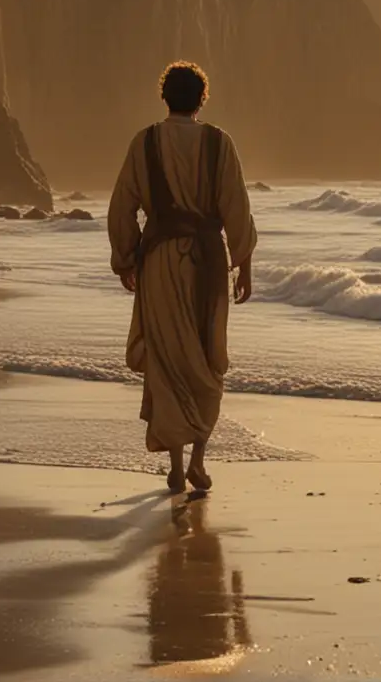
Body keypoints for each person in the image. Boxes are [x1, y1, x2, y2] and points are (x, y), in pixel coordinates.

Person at [107, 61, 256, 493]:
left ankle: (175, 465)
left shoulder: (145, 143)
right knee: (207, 359)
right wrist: (243, 263)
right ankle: (199, 462)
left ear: (165, 96)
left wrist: (127, 258)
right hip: (207, 261)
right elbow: (236, 207)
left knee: (170, 360)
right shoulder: (218, 143)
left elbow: (122, 206)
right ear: (201, 99)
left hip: (158, 262)